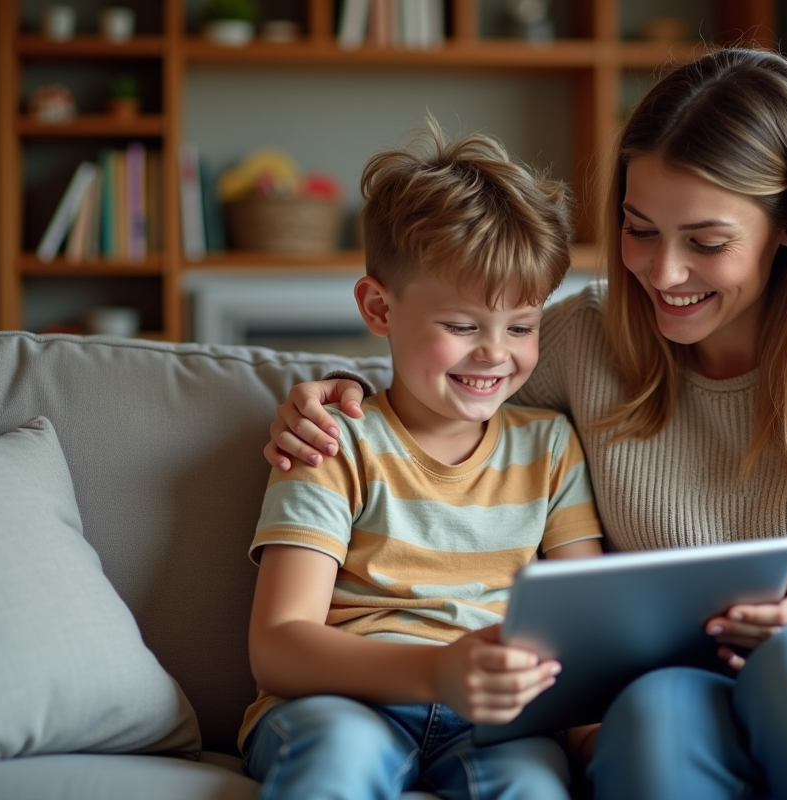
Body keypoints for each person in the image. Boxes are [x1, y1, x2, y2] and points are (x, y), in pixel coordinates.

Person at [261, 48, 787, 800]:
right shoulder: (587, 344)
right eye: (639, 229)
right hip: (738, 682)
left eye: (706, 240)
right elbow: (448, 372)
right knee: (651, 709)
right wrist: (331, 394)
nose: (664, 272)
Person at [240, 121, 604, 800]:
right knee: (337, 760)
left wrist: (590, 734)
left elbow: (576, 633)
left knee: (532, 785)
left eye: (521, 327)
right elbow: (279, 645)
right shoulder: (331, 438)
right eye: (463, 326)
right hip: (342, 701)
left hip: (498, 721)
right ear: (380, 306)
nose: (496, 353)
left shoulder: (551, 448)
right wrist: (436, 673)